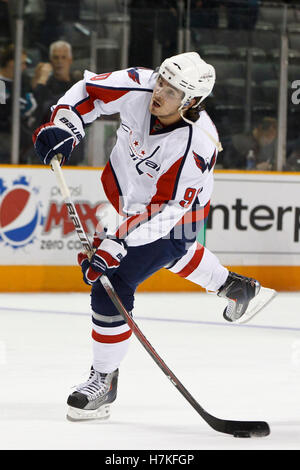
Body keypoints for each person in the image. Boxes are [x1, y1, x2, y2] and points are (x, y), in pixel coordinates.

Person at [32, 52, 267, 421]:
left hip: (178, 215)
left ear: (190, 102)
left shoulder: (197, 143)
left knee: (114, 278)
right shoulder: (140, 84)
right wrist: (66, 126)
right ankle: (235, 286)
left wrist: (117, 241)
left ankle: (103, 381)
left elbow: (167, 210)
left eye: (172, 91)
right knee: (166, 254)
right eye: (161, 81)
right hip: (132, 196)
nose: (158, 92)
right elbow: (88, 93)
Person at [32, 40, 84, 163]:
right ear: (50, 60)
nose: (60, 61)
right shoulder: (44, 85)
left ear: (70, 60)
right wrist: (41, 81)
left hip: (73, 150)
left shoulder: (77, 85)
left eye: (63, 57)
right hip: (48, 149)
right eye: (56, 58)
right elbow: (40, 111)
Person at [0, 44, 37, 163]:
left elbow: (31, 106)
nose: (25, 67)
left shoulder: (23, 81)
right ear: (11, 63)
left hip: (20, 140)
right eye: (22, 63)